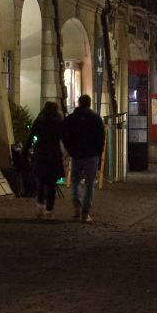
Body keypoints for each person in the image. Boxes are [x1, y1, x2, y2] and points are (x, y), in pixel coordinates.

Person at [59, 94, 106, 223]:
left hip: (76, 154)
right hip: (91, 155)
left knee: (75, 180)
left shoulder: (72, 118)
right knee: (90, 183)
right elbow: (101, 137)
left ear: (79, 103)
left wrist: (70, 149)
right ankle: (86, 212)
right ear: (89, 104)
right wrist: (98, 151)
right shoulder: (95, 119)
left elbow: (64, 134)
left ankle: (76, 206)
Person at [27, 100, 65, 219]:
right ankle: (49, 210)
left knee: (41, 181)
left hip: (41, 153)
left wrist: (25, 150)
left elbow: (30, 136)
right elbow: (65, 137)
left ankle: (40, 207)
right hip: (53, 154)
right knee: (51, 184)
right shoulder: (59, 121)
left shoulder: (40, 120)